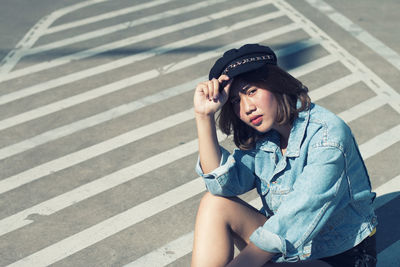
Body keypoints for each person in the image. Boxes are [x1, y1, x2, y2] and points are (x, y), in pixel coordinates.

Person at [191, 44, 377, 267]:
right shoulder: (264, 136)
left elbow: (295, 218)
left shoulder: (328, 136)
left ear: (276, 83)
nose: (247, 107)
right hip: (285, 250)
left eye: (252, 92)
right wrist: (203, 116)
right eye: (236, 101)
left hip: (338, 257)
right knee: (214, 204)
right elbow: (222, 186)